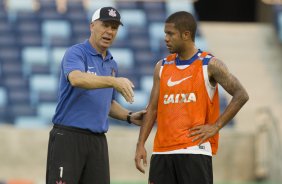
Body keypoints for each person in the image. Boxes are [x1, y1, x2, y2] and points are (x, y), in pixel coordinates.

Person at [135, 11, 249, 184]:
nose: (166, 38)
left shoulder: (209, 64)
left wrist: (215, 126)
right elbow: (152, 108)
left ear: (186, 35)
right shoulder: (162, 66)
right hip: (162, 152)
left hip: (195, 151)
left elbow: (241, 95)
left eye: (170, 34)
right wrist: (140, 144)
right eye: (165, 33)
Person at [46, 7, 146, 184]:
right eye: (105, 25)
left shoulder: (111, 63)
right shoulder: (76, 52)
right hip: (69, 137)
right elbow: (76, 79)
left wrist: (129, 116)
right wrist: (113, 81)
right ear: (92, 26)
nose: (109, 31)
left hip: (98, 142)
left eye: (114, 28)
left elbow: (107, 103)